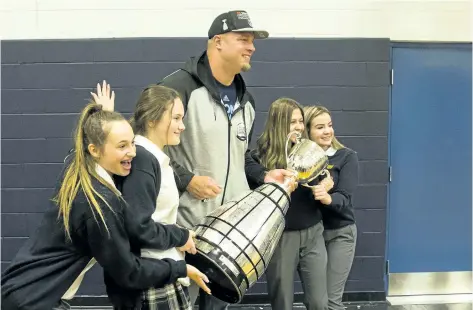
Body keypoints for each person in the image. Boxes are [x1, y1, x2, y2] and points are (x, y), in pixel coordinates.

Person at [0, 84, 202, 310]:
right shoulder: (101, 203)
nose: (133, 153)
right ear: (95, 150)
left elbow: (80, 148)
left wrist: (104, 117)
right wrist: (179, 269)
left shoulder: (76, 172)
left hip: (17, 289)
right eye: (122, 146)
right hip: (35, 301)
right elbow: (129, 272)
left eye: (132, 143)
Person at [156, 10, 296, 309]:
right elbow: (148, 149)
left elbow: (240, 157)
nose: (252, 47)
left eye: (253, 41)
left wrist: (263, 176)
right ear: (218, 42)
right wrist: (187, 180)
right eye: (243, 39)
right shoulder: (178, 88)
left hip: (230, 236)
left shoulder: (247, 101)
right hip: (187, 230)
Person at [93, 83, 211, 310]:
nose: (182, 126)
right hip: (152, 278)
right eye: (176, 118)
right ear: (152, 120)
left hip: (160, 271)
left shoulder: (150, 157)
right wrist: (180, 235)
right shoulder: (143, 160)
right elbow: (138, 226)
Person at [247, 98, 330, 310]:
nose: (299, 127)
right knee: (282, 301)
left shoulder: (308, 150)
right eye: (293, 122)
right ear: (279, 123)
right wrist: (266, 176)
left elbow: (325, 175)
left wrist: (326, 182)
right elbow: (248, 169)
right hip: (282, 237)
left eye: (301, 121)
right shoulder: (260, 157)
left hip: (313, 232)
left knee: (319, 302)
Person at [303, 105, 359, 310]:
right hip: (311, 236)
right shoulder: (298, 159)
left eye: (329, 125)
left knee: (331, 302)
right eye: (320, 127)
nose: (327, 131)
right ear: (307, 131)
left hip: (339, 233)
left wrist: (327, 197)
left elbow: (344, 197)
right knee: (314, 301)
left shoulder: (346, 156)